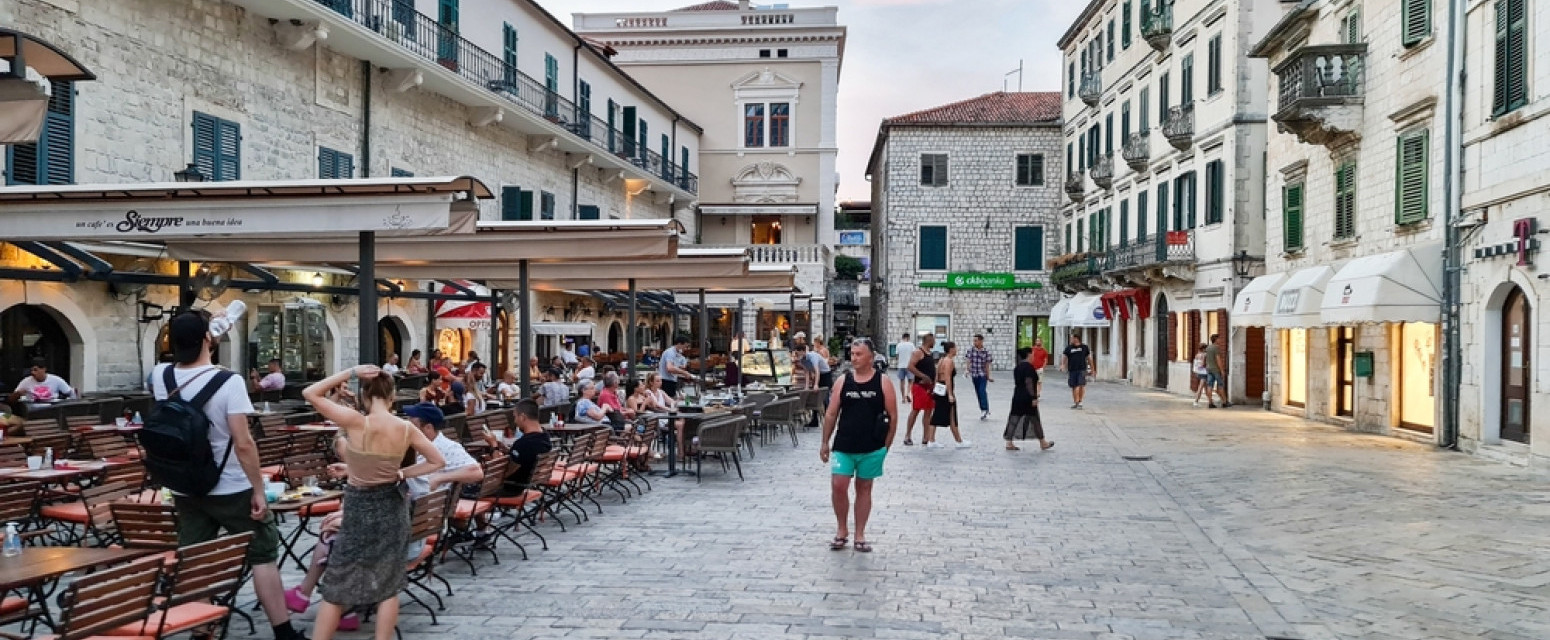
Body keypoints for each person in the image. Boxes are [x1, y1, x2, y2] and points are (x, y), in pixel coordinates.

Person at [152, 311, 308, 640]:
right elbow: (244, 443)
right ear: (207, 339)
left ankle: (202, 629)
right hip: (231, 485)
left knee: (194, 555)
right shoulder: (229, 382)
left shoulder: (160, 375)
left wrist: (210, 330)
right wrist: (257, 489)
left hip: (185, 485)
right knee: (262, 553)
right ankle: (283, 632)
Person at [286, 403, 477, 631]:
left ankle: (322, 598)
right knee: (336, 534)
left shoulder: (401, 478)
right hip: (415, 535)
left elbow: (381, 517)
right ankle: (339, 605)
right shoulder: (409, 472)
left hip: (396, 546)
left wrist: (344, 520)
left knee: (333, 539)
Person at [301, 365, 443, 640]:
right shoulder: (404, 428)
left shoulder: (357, 422)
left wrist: (350, 372)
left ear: (365, 396)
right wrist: (402, 472)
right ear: (392, 397)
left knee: (337, 582)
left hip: (358, 505)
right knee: (388, 585)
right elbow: (437, 461)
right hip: (391, 505)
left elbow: (310, 392)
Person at [819, 338, 897, 554]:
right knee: (838, 485)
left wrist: (885, 448)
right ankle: (842, 529)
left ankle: (860, 533)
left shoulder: (883, 383)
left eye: (859, 354)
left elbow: (893, 416)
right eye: (852, 354)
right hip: (844, 445)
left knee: (864, 488)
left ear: (871, 357)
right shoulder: (843, 381)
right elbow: (831, 413)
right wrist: (825, 442)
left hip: (871, 446)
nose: (854, 358)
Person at [483, 400, 553, 496]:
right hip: (526, 483)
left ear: (522, 417)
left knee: (467, 489)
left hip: (509, 488)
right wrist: (507, 450)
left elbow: (501, 473)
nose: (515, 421)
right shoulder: (544, 436)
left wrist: (494, 445)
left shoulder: (524, 444)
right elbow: (523, 456)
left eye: (515, 417)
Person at [1004, 347, 1054, 452]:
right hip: (1027, 397)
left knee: (1014, 418)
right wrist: (1033, 397)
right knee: (1035, 419)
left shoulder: (1017, 368)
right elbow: (1029, 383)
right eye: (1032, 354)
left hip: (1017, 396)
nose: (1033, 357)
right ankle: (1043, 442)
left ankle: (1009, 442)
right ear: (1028, 355)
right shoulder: (1029, 368)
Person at [926, 341, 969, 449]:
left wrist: (935, 388)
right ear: (951, 349)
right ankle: (959, 441)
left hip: (939, 388)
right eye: (955, 348)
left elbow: (937, 375)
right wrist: (950, 394)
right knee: (952, 415)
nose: (957, 350)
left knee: (937, 414)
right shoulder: (949, 361)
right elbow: (947, 378)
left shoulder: (941, 360)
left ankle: (931, 440)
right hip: (945, 389)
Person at [901, 333, 937, 446]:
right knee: (916, 409)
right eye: (933, 340)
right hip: (920, 386)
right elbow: (910, 366)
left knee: (928, 411)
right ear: (929, 341)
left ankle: (925, 436)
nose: (935, 343)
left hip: (930, 387)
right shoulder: (918, 352)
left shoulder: (930, 354)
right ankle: (907, 435)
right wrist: (922, 376)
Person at [9, 358, 75, 405]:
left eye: (35, 370)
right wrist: (18, 394)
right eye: (31, 370)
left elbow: (70, 393)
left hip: (52, 408)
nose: (33, 373)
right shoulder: (26, 381)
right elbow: (11, 400)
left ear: (44, 369)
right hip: (33, 410)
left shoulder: (56, 380)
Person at [1060, 333, 1094, 409]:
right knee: (1073, 386)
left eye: (1072, 338)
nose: (1071, 339)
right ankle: (1076, 401)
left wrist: (1092, 368)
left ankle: (1080, 401)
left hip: (1082, 369)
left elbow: (1089, 358)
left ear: (1076, 339)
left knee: (1080, 385)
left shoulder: (1084, 347)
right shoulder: (1069, 348)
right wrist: (1063, 365)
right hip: (1072, 369)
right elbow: (1065, 357)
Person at [966, 334, 994, 420]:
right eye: (974, 340)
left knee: (982, 391)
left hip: (982, 375)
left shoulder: (986, 351)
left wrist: (988, 376)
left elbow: (987, 365)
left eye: (976, 340)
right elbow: (968, 361)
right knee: (978, 392)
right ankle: (984, 409)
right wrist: (967, 370)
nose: (974, 342)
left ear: (981, 341)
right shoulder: (970, 350)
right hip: (974, 374)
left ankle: (985, 409)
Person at [1205, 333, 1232, 408]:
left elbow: (1206, 359)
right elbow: (1218, 360)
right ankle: (1224, 402)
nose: (1220, 340)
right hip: (1216, 369)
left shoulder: (1208, 348)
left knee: (1209, 386)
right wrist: (1222, 370)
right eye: (1219, 339)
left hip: (1209, 369)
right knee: (1220, 385)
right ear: (1216, 340)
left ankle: (1210, 403)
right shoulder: (1216, 348)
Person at [893, 333, 915, 404]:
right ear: (908, 338)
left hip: (901, 365)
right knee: (910, 381)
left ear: (902, 337)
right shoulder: (911, 345)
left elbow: (897, 356)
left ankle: (903, 398)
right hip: (909, 365)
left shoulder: (899, 345)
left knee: (902, 381)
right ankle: (908, 393)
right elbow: (913, 354)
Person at [1192, 343, 1211, 408]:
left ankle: (1210, 401)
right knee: (1201, 387)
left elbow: (1196, 364)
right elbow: (1203, 364)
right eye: (1206, 348)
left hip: (1199, 372)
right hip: (1204, 372)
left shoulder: (1197, 355)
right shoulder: (1204, 355)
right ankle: (1196, 401)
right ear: (1204, 348)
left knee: (1205, 387)